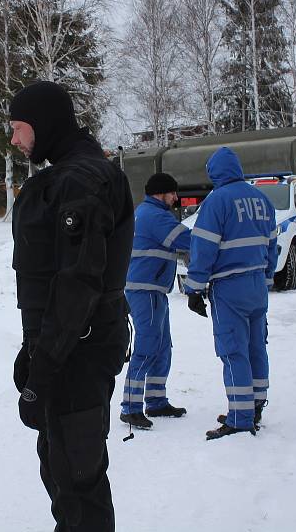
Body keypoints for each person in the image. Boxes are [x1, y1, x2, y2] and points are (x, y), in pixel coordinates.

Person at [10, 81, 134, 532]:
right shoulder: (75, 175)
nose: (14, 139)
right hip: (69, 348)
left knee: (78, 479)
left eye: (18, 128)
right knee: (64, 470)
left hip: (75, 352)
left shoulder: (78, 181)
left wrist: (43, 367)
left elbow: (77, 284)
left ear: (41, 125)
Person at [183, 147, 278, 440]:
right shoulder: (263, 200)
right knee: (256, 346)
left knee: (232, 349)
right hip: (257, 286)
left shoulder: (217, 202)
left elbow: (203, 249)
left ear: (215, 173)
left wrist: (194, 289)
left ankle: (240, 416)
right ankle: (256, 404)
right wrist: (267, 276)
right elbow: (272, 245)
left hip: (229, 286)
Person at [120, 173, 191, 430]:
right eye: (173, 193)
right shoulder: (155, 216)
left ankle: (156, 400)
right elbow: (186, 240)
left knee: (162, 347)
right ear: (161, 193)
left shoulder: (147, 213)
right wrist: (214, 236)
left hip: (153, 290)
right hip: (145, 290)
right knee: (148, 346)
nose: (176, 198)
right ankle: (130, 407)